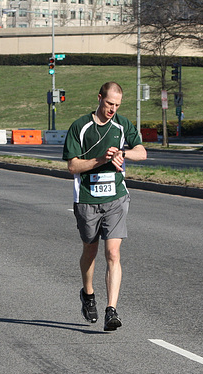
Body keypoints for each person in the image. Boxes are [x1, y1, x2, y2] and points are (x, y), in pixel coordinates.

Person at [62, 82, 146, 331]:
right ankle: (88, 294)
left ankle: (112, 310)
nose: (113, 109)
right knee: (90, 250)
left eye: (117, 105)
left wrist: (123, 153)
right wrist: (102, 159)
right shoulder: (80, 126)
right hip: (88, 198)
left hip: (116, 197)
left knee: (113, 253)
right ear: (99, 98)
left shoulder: (122, 125)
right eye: (109, 104)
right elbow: (72, 166)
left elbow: (142, 152)